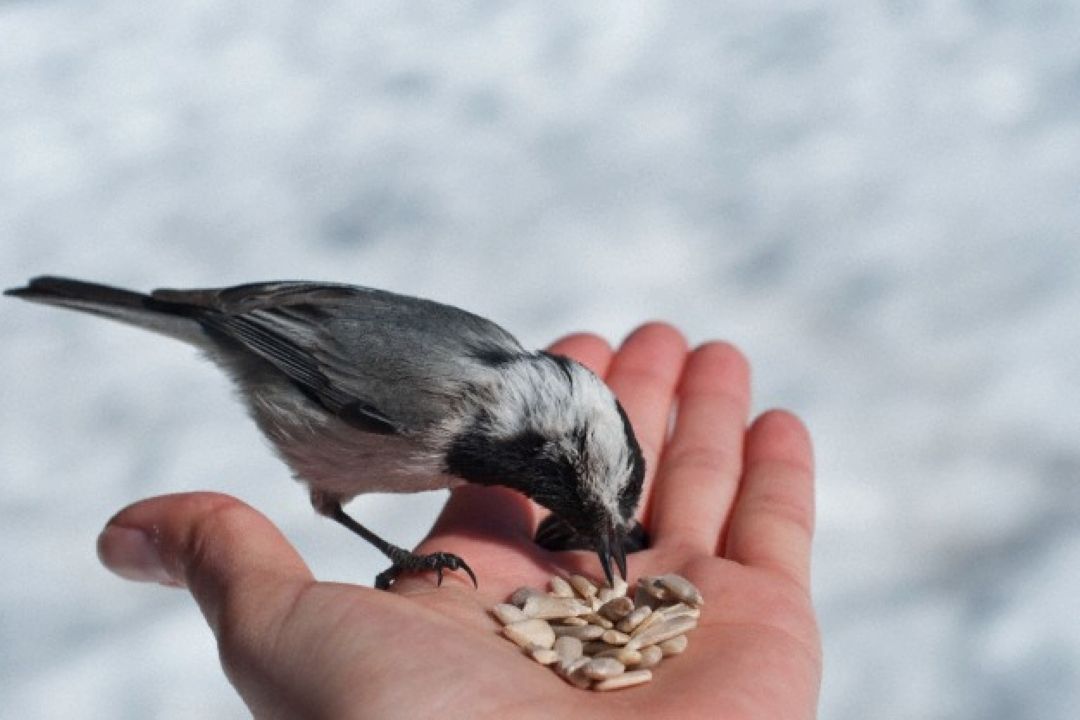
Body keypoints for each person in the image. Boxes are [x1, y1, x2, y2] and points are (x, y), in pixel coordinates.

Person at [97, 323, 822, 719]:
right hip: (274, 345)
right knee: (332, 496)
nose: (590, 535)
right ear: (548, 452)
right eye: (579, 501)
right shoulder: (436, 405)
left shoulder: (488, 414)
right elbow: (309, 341)